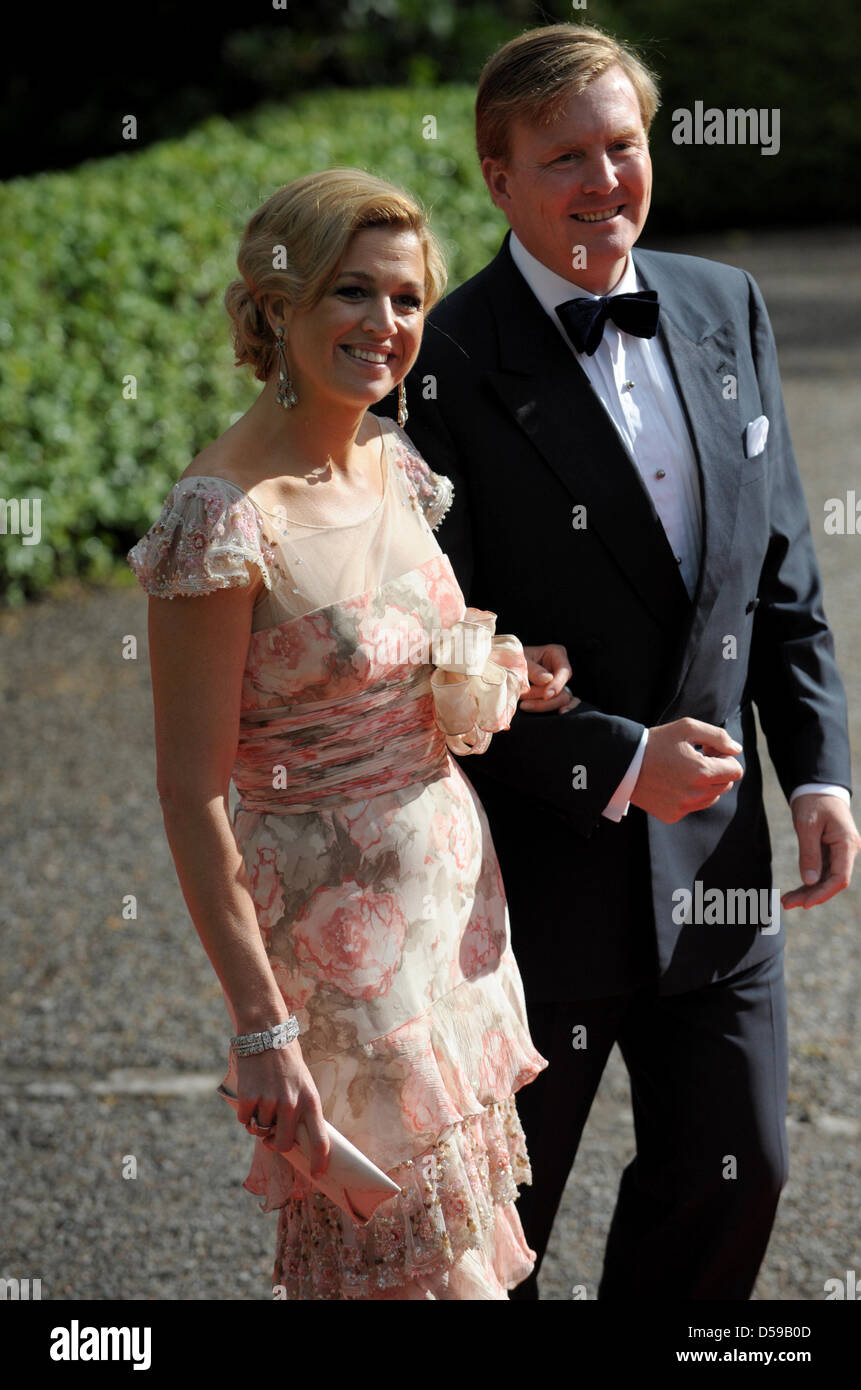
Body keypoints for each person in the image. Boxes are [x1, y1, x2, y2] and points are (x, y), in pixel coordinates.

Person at [392, 24, 860, 1299]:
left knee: (740, 1170)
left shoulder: (726, 303)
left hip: (720, 864)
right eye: (566, 159)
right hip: (531, 882)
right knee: (503, 1223)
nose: (606, 180)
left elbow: (779, 578)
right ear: (498, 178)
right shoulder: (436, 361)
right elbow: (425, 658)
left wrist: (819, 773)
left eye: (623, 145)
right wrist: (611, 758)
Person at [126, 168, 576, 1300]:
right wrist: (258, 1031)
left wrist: (499, 671)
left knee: (457, 1255)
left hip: (452, 932)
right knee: (408, 1274)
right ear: (278, 308)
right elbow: (189, 795)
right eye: (352, 293)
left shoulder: (394, 466)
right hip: (339, 969)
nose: (387, 325)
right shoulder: (221, 519)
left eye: (409, 299)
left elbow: (399, 661)